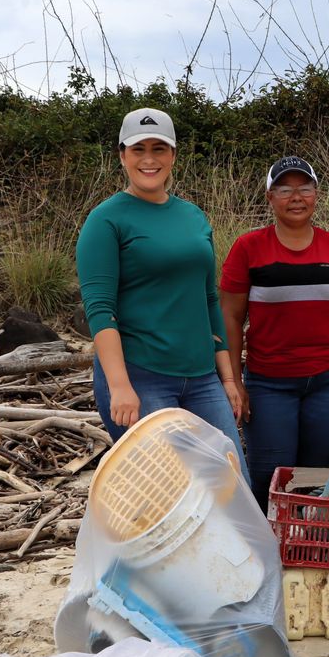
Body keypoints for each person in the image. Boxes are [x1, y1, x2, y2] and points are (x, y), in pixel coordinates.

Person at [76, 107, 246, 471]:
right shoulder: (106, 219)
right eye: (138, 149)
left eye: (159, 148)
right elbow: (100, 308)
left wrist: (228, 377)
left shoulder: (193, 216)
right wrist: (120, 385)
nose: (149, 159)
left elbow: (208, 298)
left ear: (173, 155)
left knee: (232, 485)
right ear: (122, 155)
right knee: (166, 492)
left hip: (202, 378)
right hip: (141, 376)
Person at [221, 155, 329, 509]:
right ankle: (268, 553)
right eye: (285, 189)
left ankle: (305, 552)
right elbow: (230, 318)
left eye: (304, 188)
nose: (296, 197)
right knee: (269, 475)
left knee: (316, 475)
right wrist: (234, 381)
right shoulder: (248, 249)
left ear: (316, 194)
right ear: (269, 197)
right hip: (268, 383)